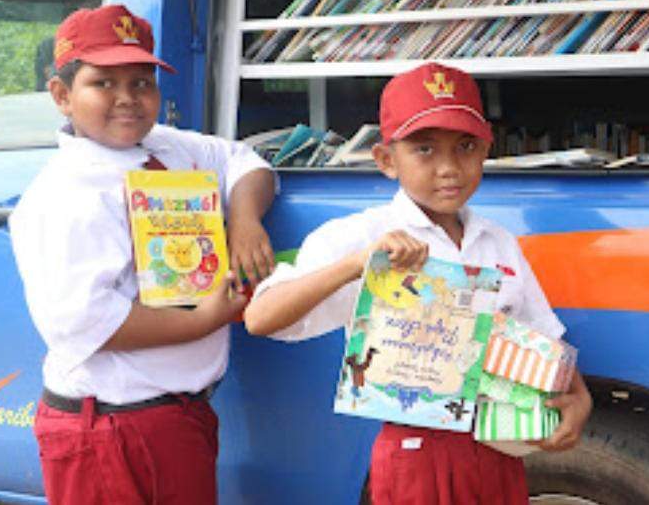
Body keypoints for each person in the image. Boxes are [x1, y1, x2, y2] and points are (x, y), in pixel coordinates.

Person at [244, 61, 592, 504]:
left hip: (499, 453)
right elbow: (260, 317)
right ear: (387, 160)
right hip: (417, 456)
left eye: (465, 146)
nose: (449, 168)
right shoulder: (361, 235)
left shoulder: (498, 242)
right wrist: (358, 266)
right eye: (424, 149)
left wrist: (579, 401)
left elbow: (544, 340)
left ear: (486, 150)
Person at [9, 4, 277, 504]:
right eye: (103, 84)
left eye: (142, 82)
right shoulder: (65, 195)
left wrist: (244, 219)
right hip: (113, 427)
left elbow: (243, 160)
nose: (127, 99)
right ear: (62, 95)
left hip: (174, 418)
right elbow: (87, 322)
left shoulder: (168, 149)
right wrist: (202, 321)